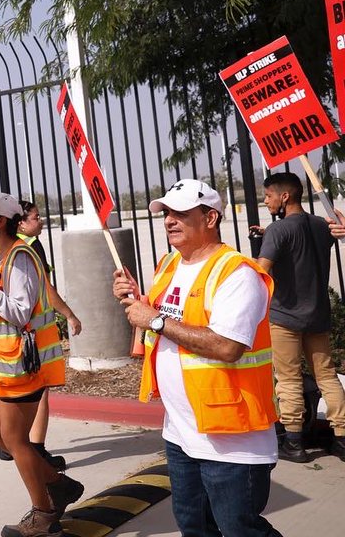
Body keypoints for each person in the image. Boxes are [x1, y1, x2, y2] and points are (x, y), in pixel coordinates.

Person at [113, 179, 281, 536]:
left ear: (210, 218)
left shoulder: (236, 273)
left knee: (240, 530)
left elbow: (227, 346)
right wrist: (135, 302)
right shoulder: (169, 265)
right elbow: (156, 325)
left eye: (181, 213)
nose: (170, 220)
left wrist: (155, 320)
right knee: (195, 527)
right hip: (181, 433)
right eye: (167, 213)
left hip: (232, 440)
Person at [0, 193, 84, 537]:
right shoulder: (2, 257)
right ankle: (58, 484)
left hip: (22, 363)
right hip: (0, 362)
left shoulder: (22, 258)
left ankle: (44, 513)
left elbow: (19, 312)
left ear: (0, 222)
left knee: (15, 439)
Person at [0, 200, 80, 471]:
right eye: (35, 217)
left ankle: (41, 470)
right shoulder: (15, 250)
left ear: (0, 222)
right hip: (10, 356)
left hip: (22, 355)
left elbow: (18, 302)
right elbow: (4, 295)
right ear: (17, 222)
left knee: (14, 438)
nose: (40, 222)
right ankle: (36, 455)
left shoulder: (18, 252)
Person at [250, 172, 345, 462]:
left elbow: (262, 271)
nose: (265, 201)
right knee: (327, 375)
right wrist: (270, 238)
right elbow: (301, 248)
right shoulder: (321, 226)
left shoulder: (279, 230)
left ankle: (293, 442)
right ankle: (341, 437)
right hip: (317, 314)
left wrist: (258, 253)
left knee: (288, 378)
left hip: (285, 316)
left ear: (285, 196)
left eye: (268, 196)